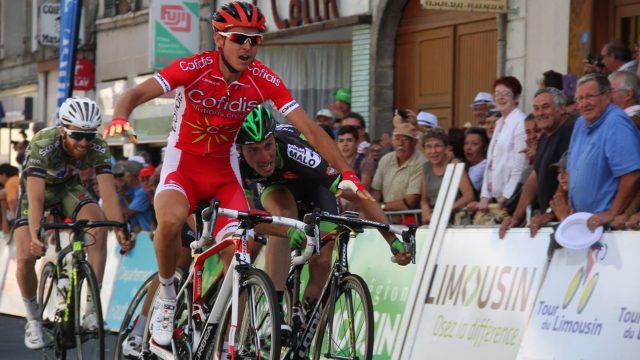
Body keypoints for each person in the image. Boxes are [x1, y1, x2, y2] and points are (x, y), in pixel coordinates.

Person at [103, 1, 370, 348]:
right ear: (219, 38)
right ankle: (167, 297)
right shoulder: (193, 66)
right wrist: (119, 116)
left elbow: (312, 131)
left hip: (223, 173)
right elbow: (136, 93)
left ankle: (239, 341)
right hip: (183, 166)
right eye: (239, 38)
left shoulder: (263, 79)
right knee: (169, 221)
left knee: (241, 253)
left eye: (255, 40)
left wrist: (348, 172)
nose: (247, 47)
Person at [235, 107, 412, 327]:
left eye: (268, 145)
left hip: (316, 187)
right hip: (276, 189)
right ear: (240, 150)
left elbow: (357, 194)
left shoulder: (294, 150)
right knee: (284, 214)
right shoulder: (234, 162)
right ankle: (275, 307)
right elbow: (244, 220)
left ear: (274, 139)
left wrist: (392, 240)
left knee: (323, 259)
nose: (264, 157)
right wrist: (286, 230)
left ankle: (308, 321)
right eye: (254, 150)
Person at [14, 96, 131, 350]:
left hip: (68, 187)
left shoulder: (98, 146)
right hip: (37, 190)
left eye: (89, 136)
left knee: (98, 225)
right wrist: (36, 234)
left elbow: (108, 192)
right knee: (24, 256)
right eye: (77, 135)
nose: (84, 142)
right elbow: (35, 197)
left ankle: (91, 309)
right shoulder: (44, 143)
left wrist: (120, 228)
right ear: (62, 130)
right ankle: (33, 319)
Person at [499, 88, 575, 238]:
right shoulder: (545, 136)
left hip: (564, 220)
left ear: (561, 108)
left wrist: (550, 213)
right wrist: (516, 217)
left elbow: (567, 174)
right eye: (536, 109)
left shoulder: (569, 130)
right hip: (548, 220)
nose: (540, 113)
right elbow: (535, 176)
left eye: (546, 107)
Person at [568, 73, 640, 231]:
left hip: (607, 227)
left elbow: (632, 175)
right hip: (584, 223)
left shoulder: (616, 123)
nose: (583, 104)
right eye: (579, 99)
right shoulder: (580, 123)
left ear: (607, 96)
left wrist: (612, 212)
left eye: (589, 97)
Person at [474, 76, 528, 213]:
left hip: (512, 198)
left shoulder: (520, 123)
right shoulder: (499, 123)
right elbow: (491, 163)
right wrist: (485, 196)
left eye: (506, 94)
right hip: (497, 198)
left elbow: (520, 164)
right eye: (497, 94)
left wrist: (507, 195)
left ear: (516, 98)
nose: (501, 97)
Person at [371, 121, 426, 216]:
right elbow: (376, 191)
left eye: (405, 140)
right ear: (392, 142)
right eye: (397, 139)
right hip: (385, 218)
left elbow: (410, 201)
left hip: (411, 219)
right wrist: (373, 208)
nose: (400, 143)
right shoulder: (386, 159)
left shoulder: (421, 162)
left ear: (414, 142)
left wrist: (381, 207)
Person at [419, 130, 474, 224]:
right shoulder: (426, 168)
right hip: (434, 221)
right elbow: (424, 198)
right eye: (428, 147)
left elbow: (468, 196)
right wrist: (425, 208)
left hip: (457, 221)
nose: (433, 151)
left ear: (445, 148)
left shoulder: (454, 164)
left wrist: (442, 212)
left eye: (437, 146)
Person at [462, 128, 489, 195]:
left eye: (474, 144)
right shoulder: (465, 164)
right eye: (466, 143)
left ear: (484, 147)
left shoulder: (484, 166)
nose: (468, 147)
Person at [0, 163, 20, 234]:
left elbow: (13, 200)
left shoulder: (10, 183)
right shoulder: (18, 179)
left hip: (21, 214)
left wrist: (17, 220)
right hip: (26, 211)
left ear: (4, 175)